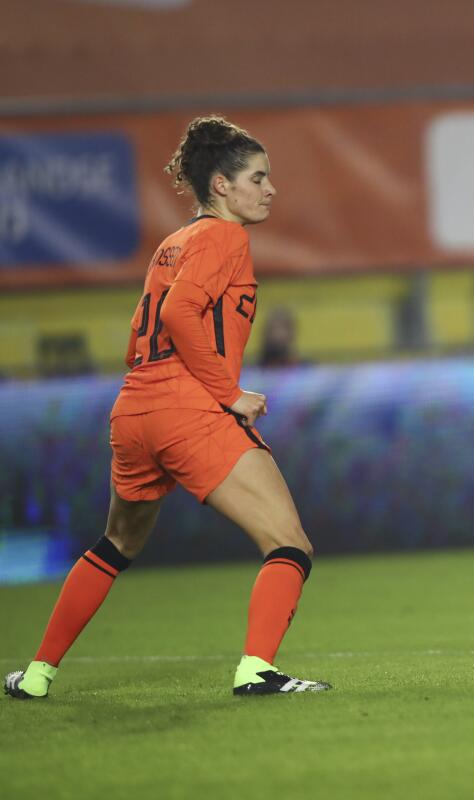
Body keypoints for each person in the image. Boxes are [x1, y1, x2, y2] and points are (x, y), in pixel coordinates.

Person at [5, 116, 330, 699]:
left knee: (116, 544)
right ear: (222, 186)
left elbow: (144, 330)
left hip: (135, 408)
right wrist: (228, 394)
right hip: (189, 410)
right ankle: (257, 669)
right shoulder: (225, 237)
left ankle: (35, 675)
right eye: (258, 178)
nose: (270, 189)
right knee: (289, 544)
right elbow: (182, 315)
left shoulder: (174, 242)